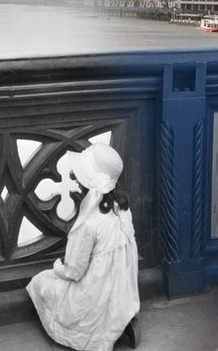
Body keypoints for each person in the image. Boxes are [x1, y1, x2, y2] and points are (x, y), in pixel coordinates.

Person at [26, 142, 140, 351]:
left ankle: (95, 330)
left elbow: (75, 271)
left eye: (80, 176)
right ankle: (123, 319)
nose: (77, 180)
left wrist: (58, 266)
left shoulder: (89, 222)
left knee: (41, 281)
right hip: (123, 289)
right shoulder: (123, 208)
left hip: (95, 294)